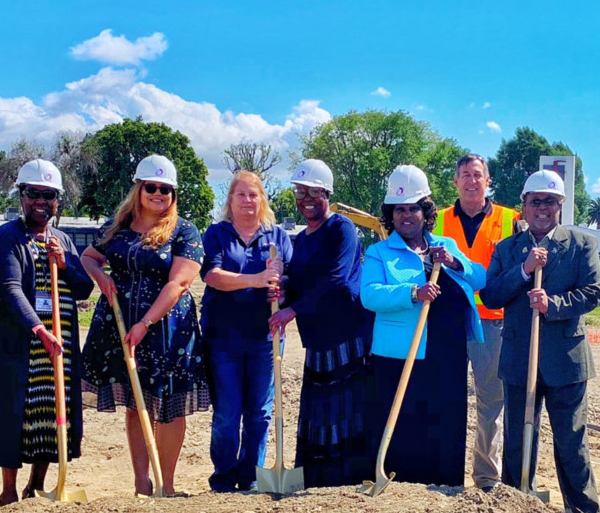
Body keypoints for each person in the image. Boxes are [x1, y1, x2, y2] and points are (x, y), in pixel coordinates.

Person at [81, 155, 210, 496]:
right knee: (136, 404)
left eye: (165, 189)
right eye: (151, 187)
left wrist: (145, 323)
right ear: (138, 189)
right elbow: (89, 257)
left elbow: (179, 283)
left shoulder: (185, 231)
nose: (158, 194)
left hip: (168, 329)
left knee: (169, 405)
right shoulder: (117, 227)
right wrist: (100, 278)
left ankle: (166, 485)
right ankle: (141, 483)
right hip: (120, 325)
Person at [481, 170, 600, 513]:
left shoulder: (581, 245)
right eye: (536, 201)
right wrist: (524, 269)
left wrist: (554, 305)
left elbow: (593, 292)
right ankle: (515, 509)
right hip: (520, 358)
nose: (543, 208)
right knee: (520, 439)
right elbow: (490, 294)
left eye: (550, 201)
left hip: (567, 360)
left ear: (560, 206)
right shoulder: (507, 249)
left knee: (571, 441)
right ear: (524, 206)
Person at [359, 164, 485, 486]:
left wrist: (455, 262)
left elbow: (481, 277)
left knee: (444, 422)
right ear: (391, 214)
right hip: (398, 355)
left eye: (413, 208)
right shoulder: (379, 253)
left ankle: (445, 484)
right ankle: (399, 483)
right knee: (404, 421)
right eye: (399, 209)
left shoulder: (446, 244)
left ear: (425, 211)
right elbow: (370, 295)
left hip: (446, 356)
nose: (406, 215)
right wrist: (413, 292)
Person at [0, 159, 95, 504]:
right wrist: (37, 329)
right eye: (34, 194)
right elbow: (9, 288)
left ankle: (37, 485)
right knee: (13, 412)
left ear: (58, 201)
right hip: (20, 344)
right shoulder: (7, 237)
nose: (41, 202)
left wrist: (66, 263)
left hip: (59, 343)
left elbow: (83, 289)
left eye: (49, 196)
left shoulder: (61, 239)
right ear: (22, 195)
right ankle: (8, 490)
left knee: (51, 412)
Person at [269, 159, 375, 487]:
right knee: (321, 410)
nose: (306, 199)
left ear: (327, 193)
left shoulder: (341, 229)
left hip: (348, 334)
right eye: (301, 192)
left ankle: (352, 477)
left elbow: (335, 280)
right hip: (317, 339)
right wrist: (281, 288)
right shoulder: (299, 241)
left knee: (348, 408)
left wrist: (291, 311)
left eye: (314, 191)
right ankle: (319, 480)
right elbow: (300, 283)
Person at [197, 171, 293, 492]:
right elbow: (212, 275)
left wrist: (281, 290)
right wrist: (256, 279)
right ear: (231, 200)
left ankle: (251, 477)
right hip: (223, 339)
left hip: (265, 338)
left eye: (254, 195)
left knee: (259, 413)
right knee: (227, 413)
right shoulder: (217, 234)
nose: (248, 201)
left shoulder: (278, 237)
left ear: (262, 199)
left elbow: (292, 280)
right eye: (241, 195)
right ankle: (223, 477)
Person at [433, 154, 519, 491]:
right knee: (446, 398)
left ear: (488, 181)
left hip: (493, 324)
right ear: (455, 181)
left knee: (491, 403)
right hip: (448, 324)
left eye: (478, 175)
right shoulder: (436, 221)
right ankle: (446, 473)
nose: (471, 181)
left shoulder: (510, 219)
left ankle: (487, 478)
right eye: (465, 175)